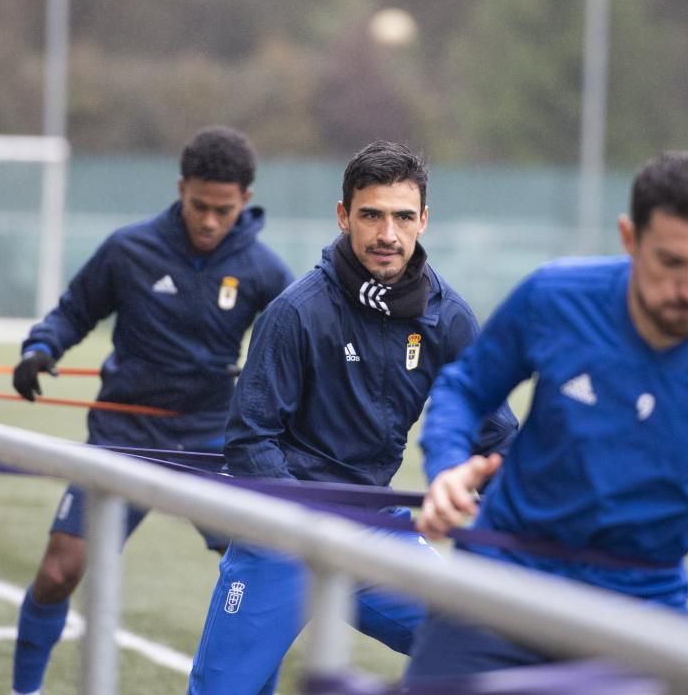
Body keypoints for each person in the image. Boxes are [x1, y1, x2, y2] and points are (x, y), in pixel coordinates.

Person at [405, 151, 688, 682]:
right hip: (503, 582)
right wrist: (446, 464)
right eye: (671, 262)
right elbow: (467, 388)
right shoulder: (554, 297)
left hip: (641, 610)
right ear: (630, 238)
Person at [186, 140, 519, 694]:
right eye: (372, 215)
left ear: (424, 221)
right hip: (282, 530)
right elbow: (250, 441)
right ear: (344, 217)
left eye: (403, 217)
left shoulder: (449, 318)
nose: (388, 234)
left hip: (372, 526)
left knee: (482, 643)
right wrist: (304, 525)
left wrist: (530, 513)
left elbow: (496, 437)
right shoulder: (295, 312)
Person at [9, 126, 294, 695]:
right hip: (124, 436)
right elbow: (72, 312)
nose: (210, 221)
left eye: (224, 209)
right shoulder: (128, 249)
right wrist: (40, 349)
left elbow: (301, 343)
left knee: (260, 591)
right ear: (180, 188)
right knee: (57, 572)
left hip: (216, 443)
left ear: (246, 198)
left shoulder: (264, 270)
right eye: (198, 206)